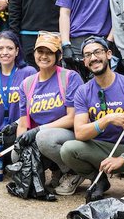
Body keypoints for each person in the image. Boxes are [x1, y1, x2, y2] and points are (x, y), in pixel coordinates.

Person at [63, 36, 124, 192]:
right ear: (84, 62)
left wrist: (123, 158)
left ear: (108, 54)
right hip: (102, 149)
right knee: (68, 150)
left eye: (97, 52)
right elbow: (79, 132)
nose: (93, 58)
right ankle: (98, 181)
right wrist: (106, 120)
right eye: (87, 55)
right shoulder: (83, 92)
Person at [13, 32, 85, 194]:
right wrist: (20, 143)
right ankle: (56, 169)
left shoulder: (70, 78)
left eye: (49, 52)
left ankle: (73, 172)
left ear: (58, 56)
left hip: (69, 136)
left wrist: (39, 129)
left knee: (44, 138)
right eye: (40, 52)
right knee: (16, 156)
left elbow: (72, 118)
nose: (44, 56)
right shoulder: (27, 84)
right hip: (41, 138)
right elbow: (24, 123)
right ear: (34, 54)